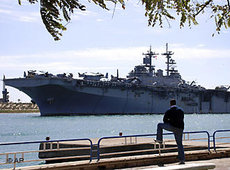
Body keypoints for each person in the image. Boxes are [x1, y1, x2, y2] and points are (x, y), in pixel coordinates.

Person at [156, 99, 185, 164]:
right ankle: (182, 159)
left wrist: (170, 121)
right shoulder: (181, 110)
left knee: (159, 125)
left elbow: (164, 120)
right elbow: (182, 119)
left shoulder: (168, 111)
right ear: (175, 103)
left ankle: (159, 140)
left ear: (170, 104)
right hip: (180, 129)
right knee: (180, 144)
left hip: (172, 127)